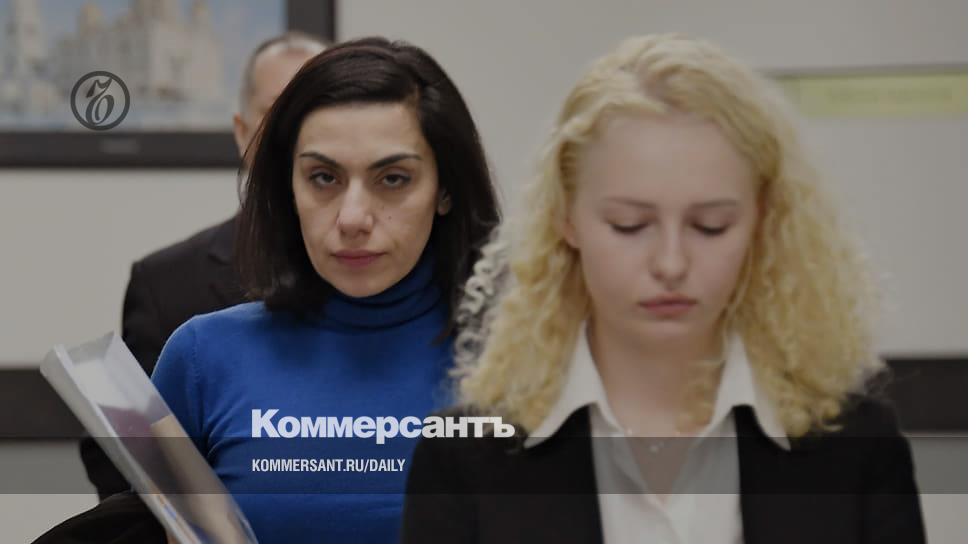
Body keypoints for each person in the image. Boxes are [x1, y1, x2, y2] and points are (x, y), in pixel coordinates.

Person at [401, 34, 925, 543]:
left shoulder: (858, 446)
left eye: (711, 226)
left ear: (761, 220)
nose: (671, 263)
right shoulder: (462, 456)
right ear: (566, 218)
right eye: (629, 225)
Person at [35, 37, 500, 544]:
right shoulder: (204, 358)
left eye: (393, 179)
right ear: (288, 186)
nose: (353, 218)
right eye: (323, 177)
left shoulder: (519, 358)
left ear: (444, 189)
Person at [80, 31, 328, 500]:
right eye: (277, 112)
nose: (296, 134)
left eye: (316, 111)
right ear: (241, 131)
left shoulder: (392, 271)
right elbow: (122, 455)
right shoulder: (166, 282)